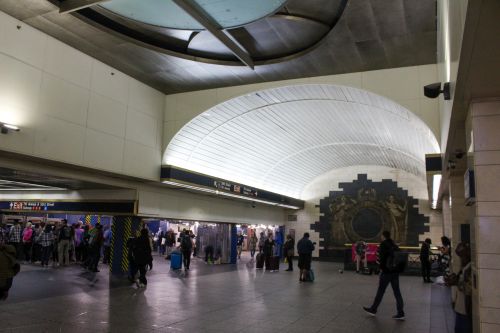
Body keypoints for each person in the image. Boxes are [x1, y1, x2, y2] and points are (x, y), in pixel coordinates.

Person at [363, 230, 405, 320]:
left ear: (383, 236)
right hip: (395, 272)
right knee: (397, 292)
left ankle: (373, 309)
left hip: (386, 272)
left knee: (380, 291)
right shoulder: (394, 244)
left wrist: (381, 270)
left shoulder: (383, 244)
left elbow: (381, 259)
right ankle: (401, 312)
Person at [451, 242, 472, 333]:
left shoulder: (469, 268)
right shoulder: (464, 267)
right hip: (460, 306)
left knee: (463, 329)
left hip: (465, 308)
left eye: (462, 256)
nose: (461, 259)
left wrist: (457, 283)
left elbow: (469, 288)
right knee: (458, 329)